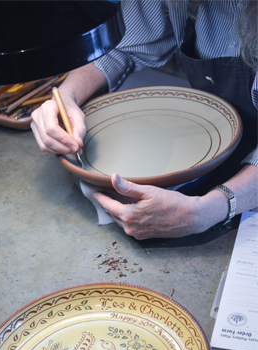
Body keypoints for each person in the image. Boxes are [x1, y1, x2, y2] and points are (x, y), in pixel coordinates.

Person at [31, 0, 258, 238]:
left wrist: (208, 210)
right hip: (217, 149)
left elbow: (203, 212)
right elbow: (123, 45)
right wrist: (67, 95)